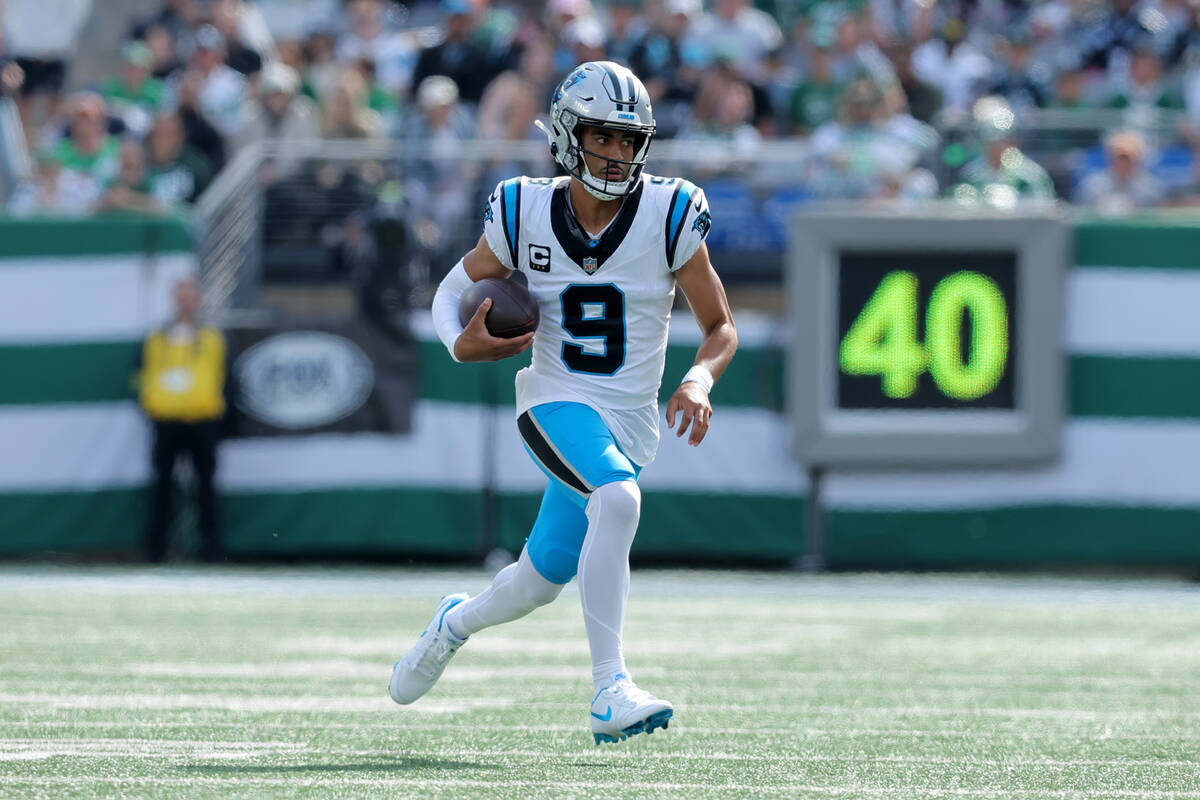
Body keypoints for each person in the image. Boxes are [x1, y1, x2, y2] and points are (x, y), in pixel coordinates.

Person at [389, 61, 738, 746]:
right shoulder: (524, 208)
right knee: (618, 499)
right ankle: (610, 688)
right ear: (570, 134)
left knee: (538, 579)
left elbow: (720, 326)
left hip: (629, 423)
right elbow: (449, 291)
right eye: (602, 137)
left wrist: (699, 379)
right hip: (553, 399)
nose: (616, 153)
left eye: (627, 140)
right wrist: (458, 344)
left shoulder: (670, 212)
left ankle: (452, 624)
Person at [137, 277, 228, 563]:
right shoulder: (157, 337)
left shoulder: (213, 337)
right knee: (162, 488)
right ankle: (156, 550)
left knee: (206, 488)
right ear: (173, 300)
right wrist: (150, 405)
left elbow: (227, 379)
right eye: (181, 296)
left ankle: (211, 550)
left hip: (202, 421)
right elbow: (140, 374)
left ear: (199, 300)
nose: (185, 302)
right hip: (166, 423)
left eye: (191, 296)